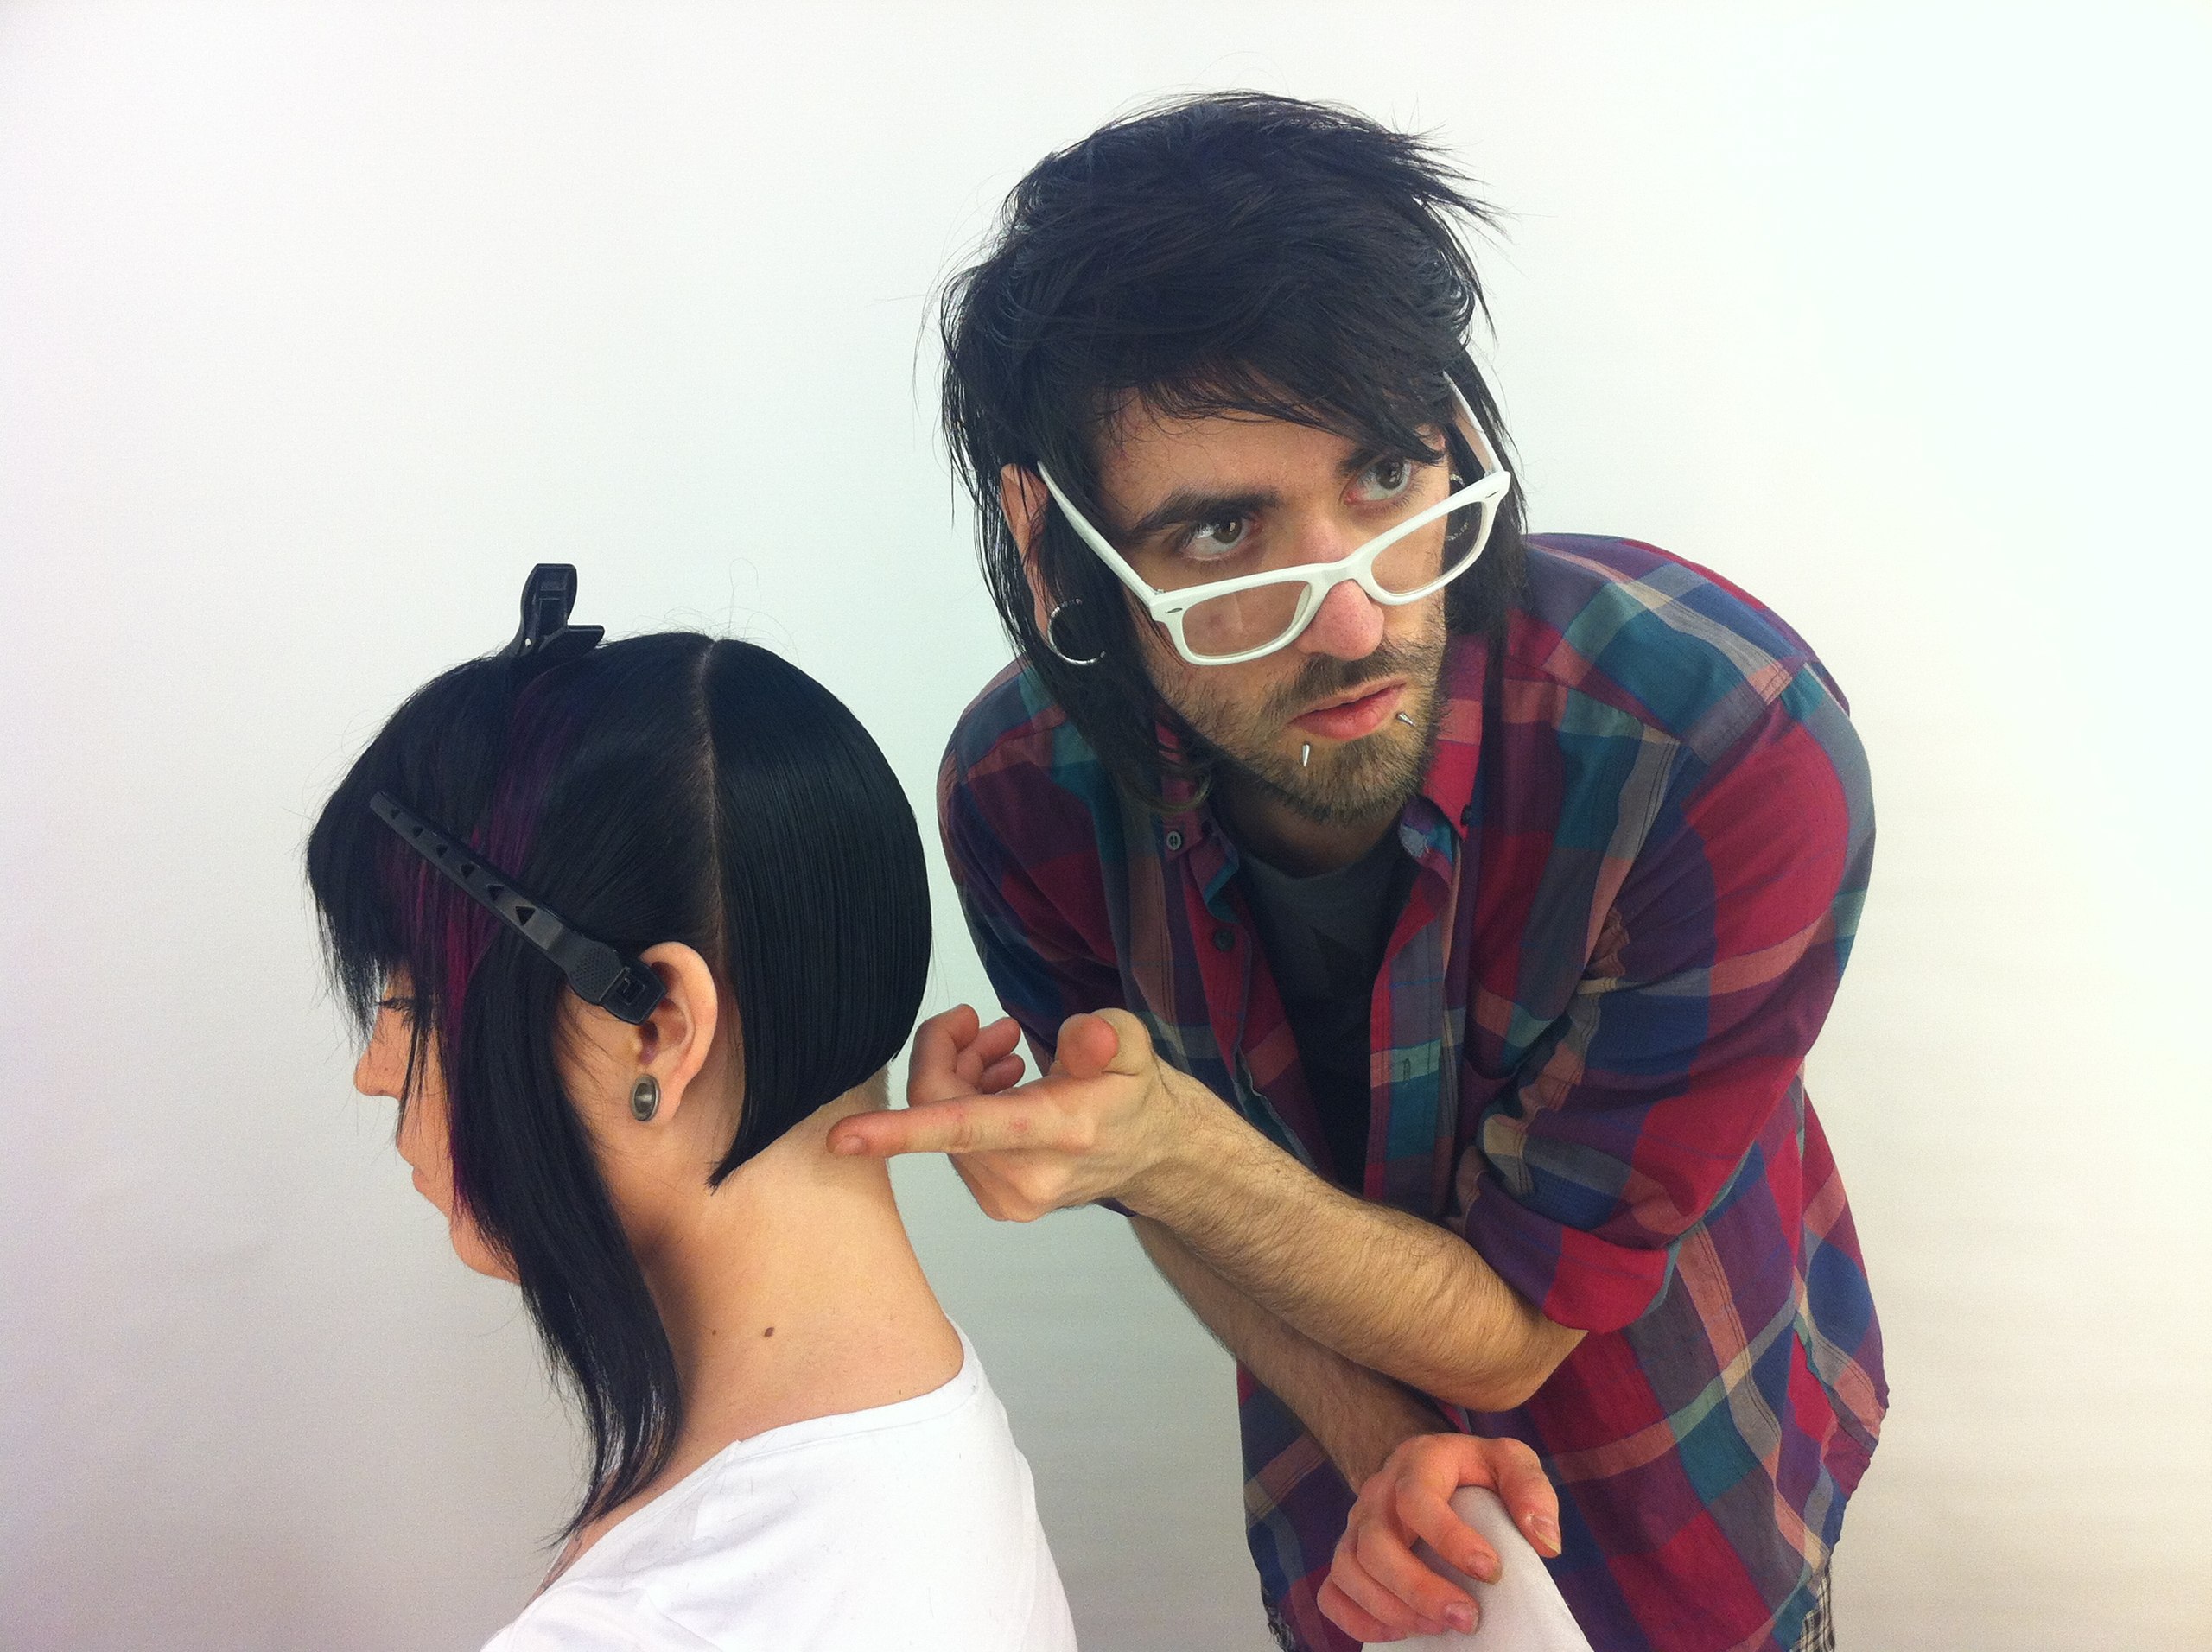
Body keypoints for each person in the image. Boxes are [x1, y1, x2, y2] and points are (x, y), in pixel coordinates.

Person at [828, 93, 1885, 1652]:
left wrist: (1160, 1152)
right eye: (1223, 533)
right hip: (1352, 1531)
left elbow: (1516, 1327)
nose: (1354, 617)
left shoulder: (1719, 746)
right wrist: (1378, 1443)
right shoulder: (1022, 801)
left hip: (1694, 1486)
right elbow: (1173, 1186)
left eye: (1388, 474)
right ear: (1054, 549)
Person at [306, 568, 1077, 1652]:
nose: (376, 1070)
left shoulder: (663, 1622)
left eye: (409, 1002)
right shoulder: (921, 1431)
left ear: (657, 1029)